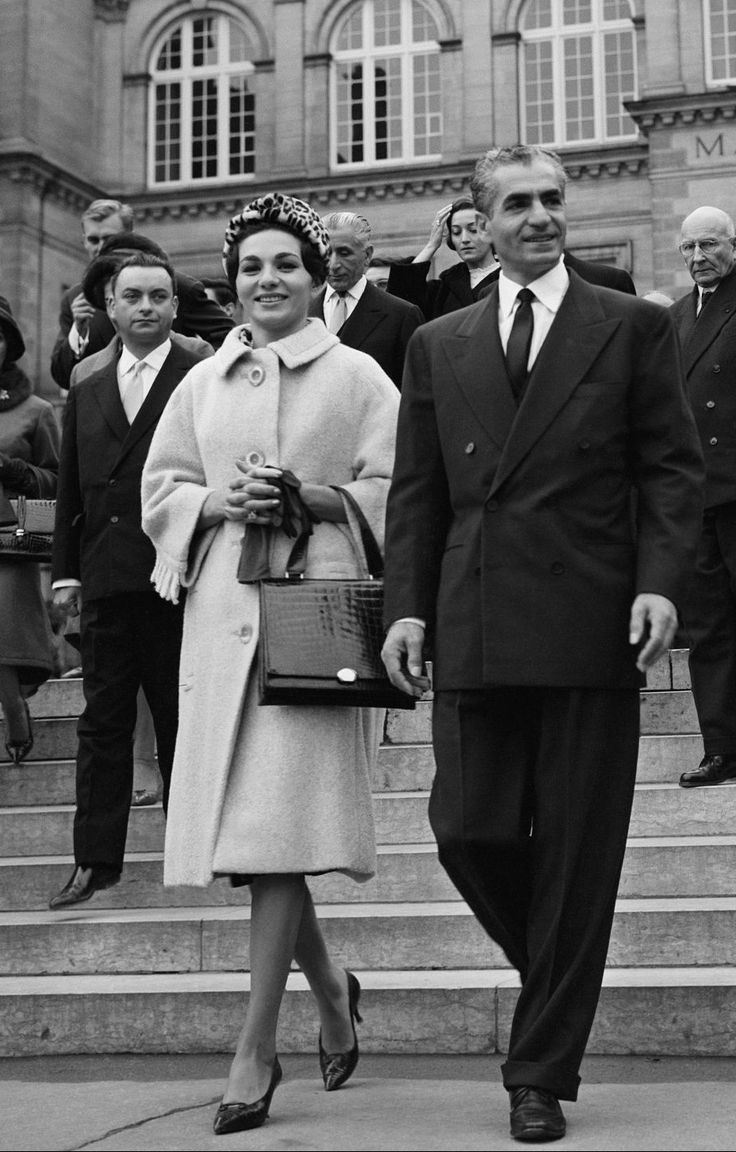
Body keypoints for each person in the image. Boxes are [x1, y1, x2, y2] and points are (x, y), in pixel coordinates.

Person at [381, 145, 703, 1143]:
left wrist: (658, 586)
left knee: (575, 851)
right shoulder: (439, 343)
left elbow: (670, 470)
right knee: (466, 828)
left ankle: (539, 1069)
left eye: (552, 200)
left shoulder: (631, 325)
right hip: (474, 612)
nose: (539, 217)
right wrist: (405, 606)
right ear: (477, 219)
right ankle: (562, 974)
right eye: (516, 203)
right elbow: (417, 491)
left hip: (588, 612)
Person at [140, 192, 398, 1135]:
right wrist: (216, 503)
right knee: (258, 843)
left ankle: (254, 1049)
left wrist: (315, 498)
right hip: (218, 620)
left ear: (318, 272)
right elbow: (160, 487)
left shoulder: (360, 375)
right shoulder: (202, 384)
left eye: (286, 264)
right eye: (252, 267)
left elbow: (399, 489)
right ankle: (331, 989)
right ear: (232, 279)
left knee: (273, 833)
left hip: (313, 626)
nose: (268, 280)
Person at [48, 253, 204, 910]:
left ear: (175, 306)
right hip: (108, 577)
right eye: (132, 297)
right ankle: (94, 860)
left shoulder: (200, 376)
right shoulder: (86, 389)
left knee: (179, 718)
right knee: (103, 722)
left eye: (158, 297)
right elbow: (70, 493)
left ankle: (192, 850)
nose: (145, 307)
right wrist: (63, 576)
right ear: (109, 307)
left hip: (178, 575)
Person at [671, 206, 736, 788]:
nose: (698, 258)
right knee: (710, 629)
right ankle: (721, 747)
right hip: (698, 496)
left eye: (709, 245)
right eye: (689, 248)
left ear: (732, 245)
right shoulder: (672, 319)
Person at [50, 206, 233, 389]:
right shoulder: (77, 299)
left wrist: (193, 378)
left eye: (109, 239)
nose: (101, 247)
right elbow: (64, 377)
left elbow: (228, 338)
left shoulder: (176, 286)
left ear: (129, 236)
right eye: (93, 240)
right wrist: (78, 333)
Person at [0, 297, 59, 762]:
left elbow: (58, 485)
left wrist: (14, 471)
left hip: (8, 544)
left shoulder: (36, 409)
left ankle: (14, 710)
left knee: (6, 633)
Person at [309, 211, 423, 388]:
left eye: (344, 253)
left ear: (367, 255)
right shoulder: (300, 316)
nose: (333, 264)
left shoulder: (401, 315)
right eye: (326, 253)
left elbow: (416, 391)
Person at [386, 196, 499, 319]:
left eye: (473, 230)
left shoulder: (509, 276)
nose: (464, 239)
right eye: (456, 232)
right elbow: (400, 299)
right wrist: (431, 245)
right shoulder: (444, 286)